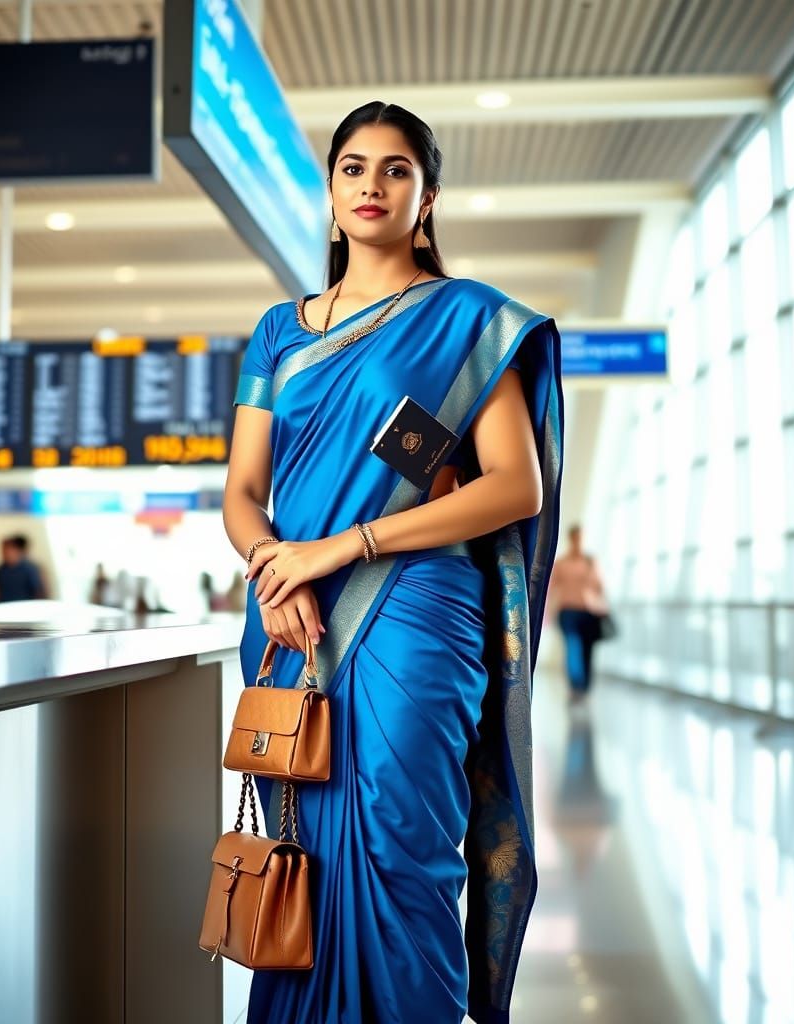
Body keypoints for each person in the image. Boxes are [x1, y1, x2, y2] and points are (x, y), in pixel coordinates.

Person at [222, 102, 563, 1024]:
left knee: (404, 848)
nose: (371, 184)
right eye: (353, 168)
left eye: (396, 169)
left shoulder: (468, 320)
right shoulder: (279, 331)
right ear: (331, 195)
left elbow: (515, 486)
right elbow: (242, 492)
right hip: (290, 619)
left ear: (427, 198)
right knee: (301, 857)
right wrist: (271, 567)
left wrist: (345, 546)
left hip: (415, 611)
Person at [549, 525, 609, 700]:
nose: (578, 542)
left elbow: (600, 587)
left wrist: (600, 604)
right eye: (576, 538)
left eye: (581, 538)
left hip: (589, 612)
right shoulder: (561, 563)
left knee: (587, 651)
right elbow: (552, 589)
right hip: (568, 612)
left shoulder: (590, 561)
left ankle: (585, 687)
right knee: (572, 647)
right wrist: (551, 612)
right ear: (571, 539)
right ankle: (575, 685)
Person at [0, 535, 47, 603]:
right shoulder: (0, 570)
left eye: (8, 550)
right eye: (3, 550)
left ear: (17, 550)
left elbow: (38, 591)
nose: (4, 553)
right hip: (5, 605)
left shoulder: (30, 568)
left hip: (25, 604)